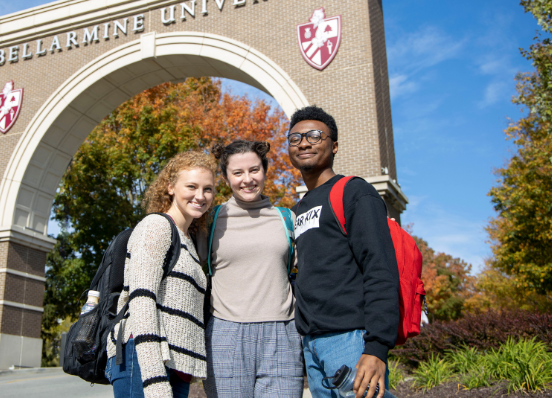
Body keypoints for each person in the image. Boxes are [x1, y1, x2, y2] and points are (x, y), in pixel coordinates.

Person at [287, 106, 399, 398]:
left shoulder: (354, 192)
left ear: (334, 145)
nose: (304, 142)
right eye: (295, 137)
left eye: (315, 135)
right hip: (312, 344)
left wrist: (376, 346)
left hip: (352, 339)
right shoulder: (298, 208)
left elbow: (380, 267)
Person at [105, 151, 216, 398]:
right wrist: (154, 378)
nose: (200, 196)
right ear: (170, 188)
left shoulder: (188, 240)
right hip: (143, 360)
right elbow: (142, 302)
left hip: (175, 366)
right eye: (191, 186)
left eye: (208, 189)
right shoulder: (156, 227)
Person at [198, 140, 304, 398]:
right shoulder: (209, 220)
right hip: (226, 334)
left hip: (283, 335)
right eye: (238, 173)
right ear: (226, 177)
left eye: (254, 170)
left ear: (265, 171)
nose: (248, 179)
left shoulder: (287, 218)